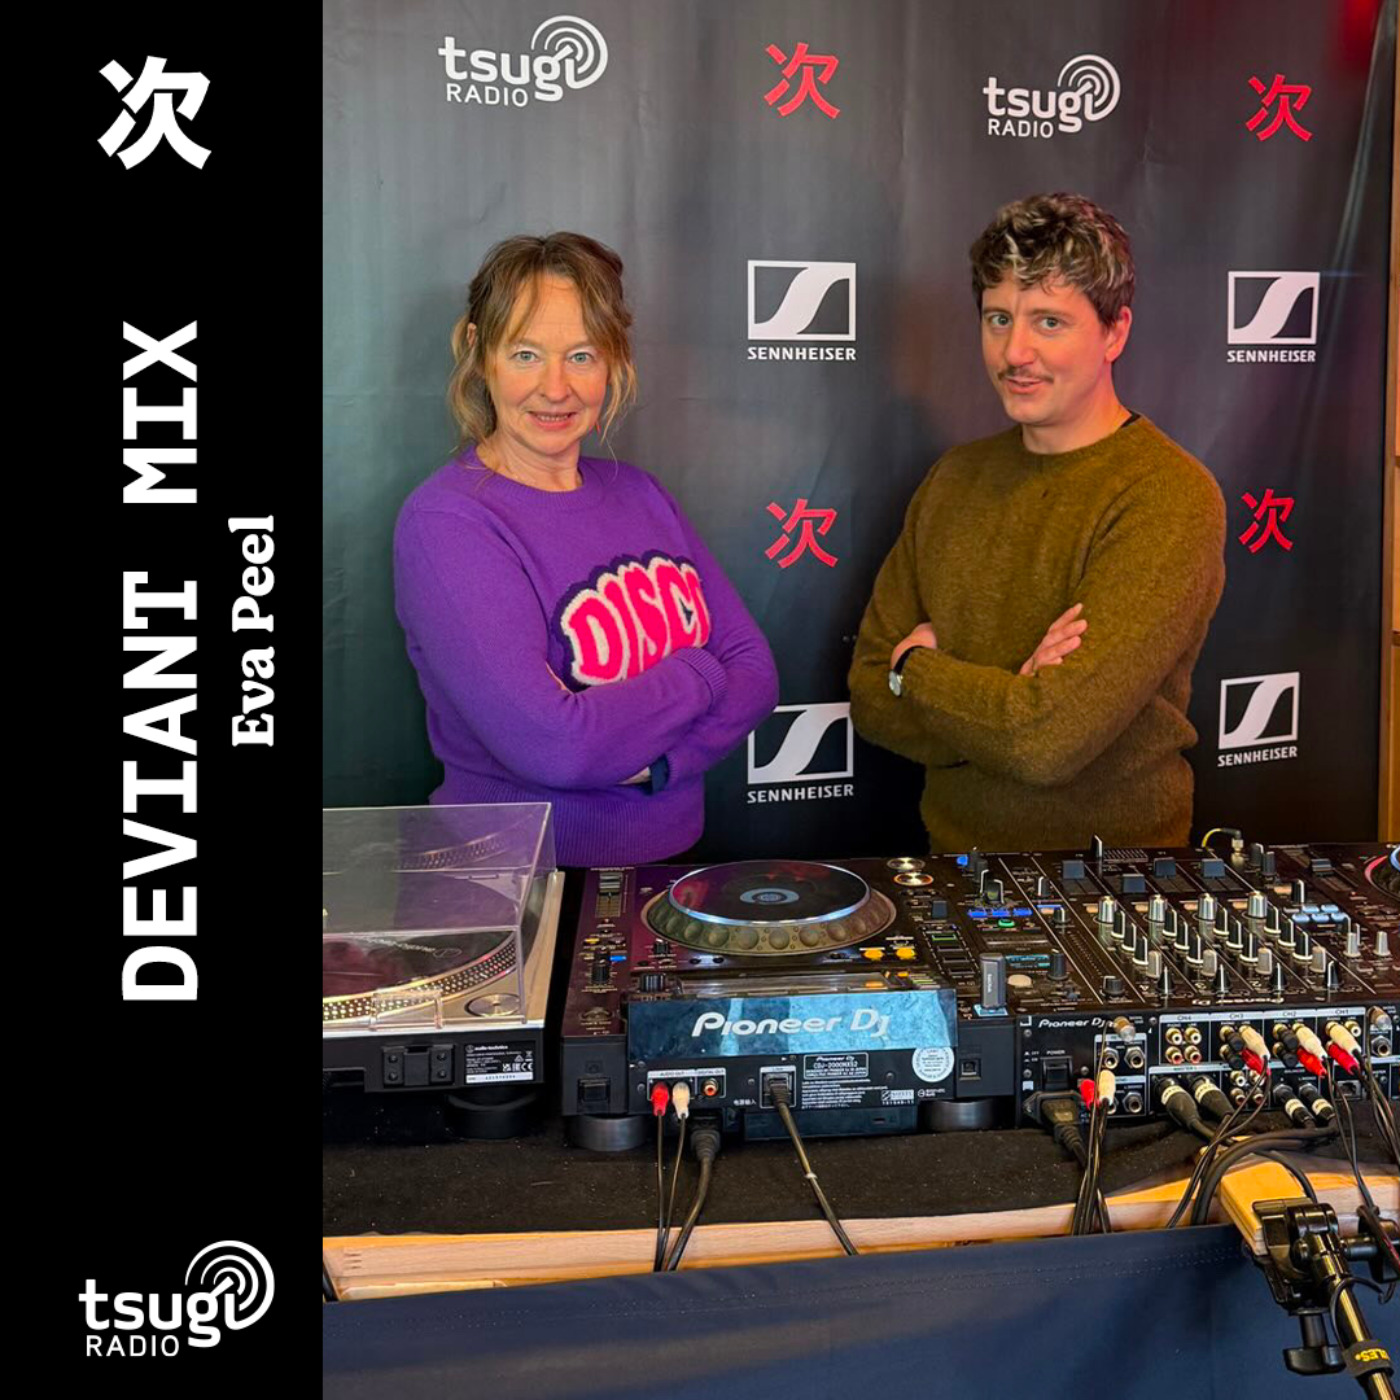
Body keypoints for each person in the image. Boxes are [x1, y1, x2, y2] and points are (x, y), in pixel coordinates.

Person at [848, 193, 1225, 852]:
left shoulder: (1167, 494)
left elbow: (1047, 741)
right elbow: (870, 696)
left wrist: (917, 668)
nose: (1014, 351)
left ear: (1115, 332)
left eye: (1049, 322)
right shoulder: (953, 479)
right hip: (952, 869)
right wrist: (1009, 700)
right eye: (998, 319)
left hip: (1113, 879)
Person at [395, 232, 778, 867]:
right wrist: (698, 672)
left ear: (613, 361)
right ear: (480, 353)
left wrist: (659, 762)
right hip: (516, 881)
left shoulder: (642, 493)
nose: (555, 388)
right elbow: (557, 746)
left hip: (670, 866)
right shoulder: (449, 522)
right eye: (525, 354)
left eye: (581, 355)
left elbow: (755, 672)